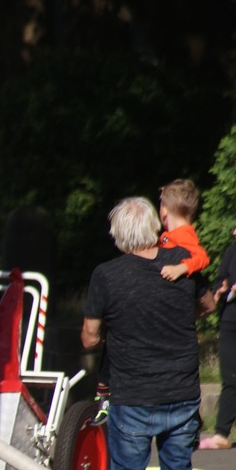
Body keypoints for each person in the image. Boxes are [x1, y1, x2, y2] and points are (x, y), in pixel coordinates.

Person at [81, 196, 203, 470]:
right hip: (182, 393)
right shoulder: (183, 261)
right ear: (156, 226)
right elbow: (204, 305)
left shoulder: (107, 275)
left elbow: (90, 336)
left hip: (132, 397)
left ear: (118, 235)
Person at [91, 179, 209, 426]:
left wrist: (181, 268)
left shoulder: (184, 238)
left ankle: (104, 395)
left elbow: (200, 258)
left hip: (142, 389)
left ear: (163, 211)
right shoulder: (169, 238)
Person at [199, 225, 236, 450]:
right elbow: (220, 278)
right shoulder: (232, 251)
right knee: (230, 376)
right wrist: (220, 288)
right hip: (230, 319)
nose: (234, 232)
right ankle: (222, 433)